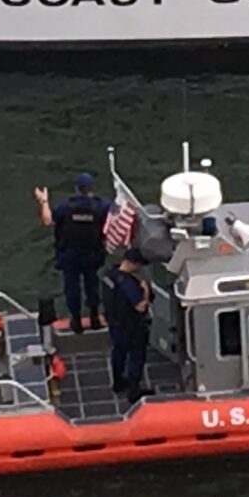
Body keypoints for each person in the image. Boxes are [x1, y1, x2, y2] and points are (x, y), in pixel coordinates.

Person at [34, 171, 109, 332]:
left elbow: (48, 220)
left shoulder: (66, 206)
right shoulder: (100, 205)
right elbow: (114, 216)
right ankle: (95, 318)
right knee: (92, 285)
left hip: (70, 255)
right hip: (92, 254)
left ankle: (76, 322)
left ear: (76, 188)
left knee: (71, 288)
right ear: (91, 188)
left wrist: (44, 201)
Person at [106, 244, 154, 401]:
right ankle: (134, 390)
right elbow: (140, 307)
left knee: (118, 353)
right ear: (133, 264)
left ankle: (118, 382)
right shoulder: (128, 283)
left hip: (114, 323)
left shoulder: (109, 275)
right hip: (131, 326)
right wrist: (146, 290)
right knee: (136, 356)